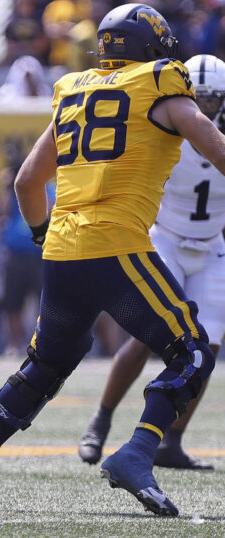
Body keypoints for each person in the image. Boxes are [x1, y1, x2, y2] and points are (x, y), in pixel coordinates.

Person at [0, 4, 224, 517]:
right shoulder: (162, 86)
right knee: (193, 350)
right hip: (117, 244)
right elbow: (218, 151)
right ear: (151, 49)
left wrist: (43, 235)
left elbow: (27, 181)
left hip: (62, 251)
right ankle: (138, 452)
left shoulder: (76, 91)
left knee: (44, 365)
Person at [77, 53, 225, 472]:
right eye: (201, 98)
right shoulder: (166, 125)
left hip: (212, 246)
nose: (207, 106)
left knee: (206, 348)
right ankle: (100, 421)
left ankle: (170, 442)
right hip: (166, 242)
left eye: (214, 99)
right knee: (147, 336)